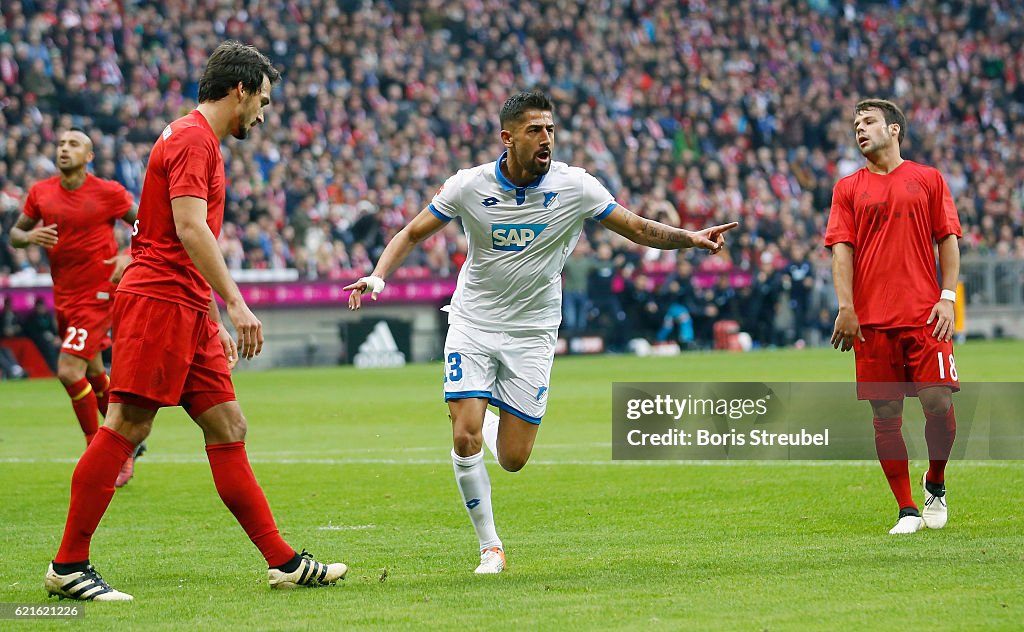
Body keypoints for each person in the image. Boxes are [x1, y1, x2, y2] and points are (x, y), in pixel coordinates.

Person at [345, 91, 737, 574]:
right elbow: (411, 233)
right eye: (535, 130)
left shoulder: (577, 187)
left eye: (550, 129)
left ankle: (486, 415)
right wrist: (378, 276)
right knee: (464, 437)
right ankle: (490, 546)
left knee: (513, 458)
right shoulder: (469, 186)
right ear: (508, 138)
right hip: (473, 322)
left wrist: (690, 238)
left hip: (533, 332)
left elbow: (636, 228)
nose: (546, 138)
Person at [44, 41, 346, 602]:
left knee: (228, 427)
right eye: (264, 100)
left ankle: (282, 562)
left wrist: (212, 314)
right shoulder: (189, 138)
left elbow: (181, 241)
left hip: (186, 305)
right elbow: (188, 228)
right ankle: (68, 564)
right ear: (241, 90)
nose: (264, 112)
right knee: (127, 428)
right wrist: (234, 301)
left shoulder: (194, 138)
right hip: (158, 301)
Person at [825, 99, 961, 535]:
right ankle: (906, 510)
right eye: (855, 125)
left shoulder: (927, 179)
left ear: (895, 129)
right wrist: (847, 307)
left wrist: (947, 298)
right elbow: (841, 252)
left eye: (868, 122)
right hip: (873, 322)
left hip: (925, 315)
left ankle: (935, 481)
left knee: (938, 404)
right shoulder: (848, 188)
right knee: (886, 416)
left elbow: (948, 239)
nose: (859, 130)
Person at [9, 128, 146, 485]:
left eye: (73, 145)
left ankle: (99, 448)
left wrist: (126, 255)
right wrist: (29, 237)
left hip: (98, 295)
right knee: (92, 373)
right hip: (64, 297)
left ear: (89, 157)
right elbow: (15, 234)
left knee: (69, 371)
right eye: (60, 144)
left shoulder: (108, 192)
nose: (64, 149)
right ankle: (126, 440)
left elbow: (147, 226)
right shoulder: (41, 193)